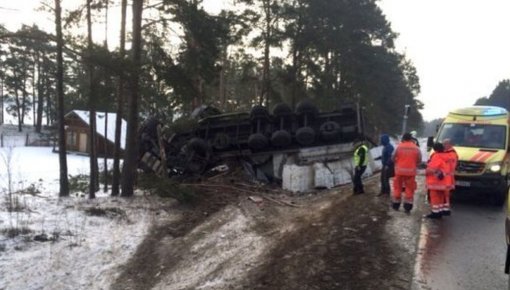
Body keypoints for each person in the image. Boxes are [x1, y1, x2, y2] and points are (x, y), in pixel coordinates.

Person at [391, 132, 422, 213]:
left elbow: (393, 157)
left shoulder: (399, 147)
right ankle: (408, 206)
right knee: (409, 188)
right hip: (411, 172)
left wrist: (397, 162)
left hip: (399, 171)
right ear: (411, 139)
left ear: (403, 139)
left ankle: (396, 205)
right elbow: (419, 160)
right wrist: (414, 163)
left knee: (398, 187)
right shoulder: (416, 148)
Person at [425, 142, 448, 219]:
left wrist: (425, 171)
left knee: (434, 197)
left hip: (435, 182)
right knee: (441, 197)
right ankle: (440, 211)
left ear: (435, 149)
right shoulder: (446, 156)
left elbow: (432, 169)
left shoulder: (436, 156)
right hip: (443, 181)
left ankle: (435, 213)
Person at [441, 138, 458, 216]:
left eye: (445, 144)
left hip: (447, 178)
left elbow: (449, 165)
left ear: (450, 144)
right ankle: (445, 209)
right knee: (445, 195)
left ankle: (446, 210)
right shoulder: (448, 153)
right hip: (446, 177)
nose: (443, 145)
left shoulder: (451, 154)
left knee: (445, 195)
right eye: (443, 144)